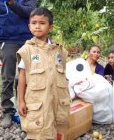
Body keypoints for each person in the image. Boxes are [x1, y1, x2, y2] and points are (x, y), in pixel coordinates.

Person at [0, 0, 37, 128]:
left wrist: (11, 3)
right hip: (8, 40)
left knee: (31, 76)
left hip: (26, 40)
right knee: (8, 77)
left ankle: (30, 108)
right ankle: (8, 112)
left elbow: (30, 12)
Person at [16, 8, 69, 139]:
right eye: (34, 23)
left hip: (58, 101)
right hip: (37, 102)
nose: (37, 26)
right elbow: (22, 77)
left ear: (50, 27)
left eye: (42, 23)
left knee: (58, 130)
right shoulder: (27, 50)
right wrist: (21, 101)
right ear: (29, 26)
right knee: (38, 131)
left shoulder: (59, 50)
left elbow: (63, 74)